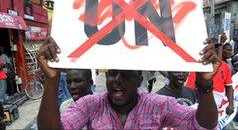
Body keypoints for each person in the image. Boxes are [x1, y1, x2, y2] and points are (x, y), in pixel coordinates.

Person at [37, 37, 220, 129]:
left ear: (140, 78)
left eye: (125, 74)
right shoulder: (89, 105)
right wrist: (52, 80)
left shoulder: (159, 105)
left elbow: (203, 125)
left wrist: (204, 85)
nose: (117, 80)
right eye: (112, 73)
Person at [186, 43, 234, 117]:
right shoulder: (197, 67)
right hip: (202, 106)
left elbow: (229, 86)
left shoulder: (225, 66)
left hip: (221, 109)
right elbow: (190, 89)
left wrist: (231, 104)